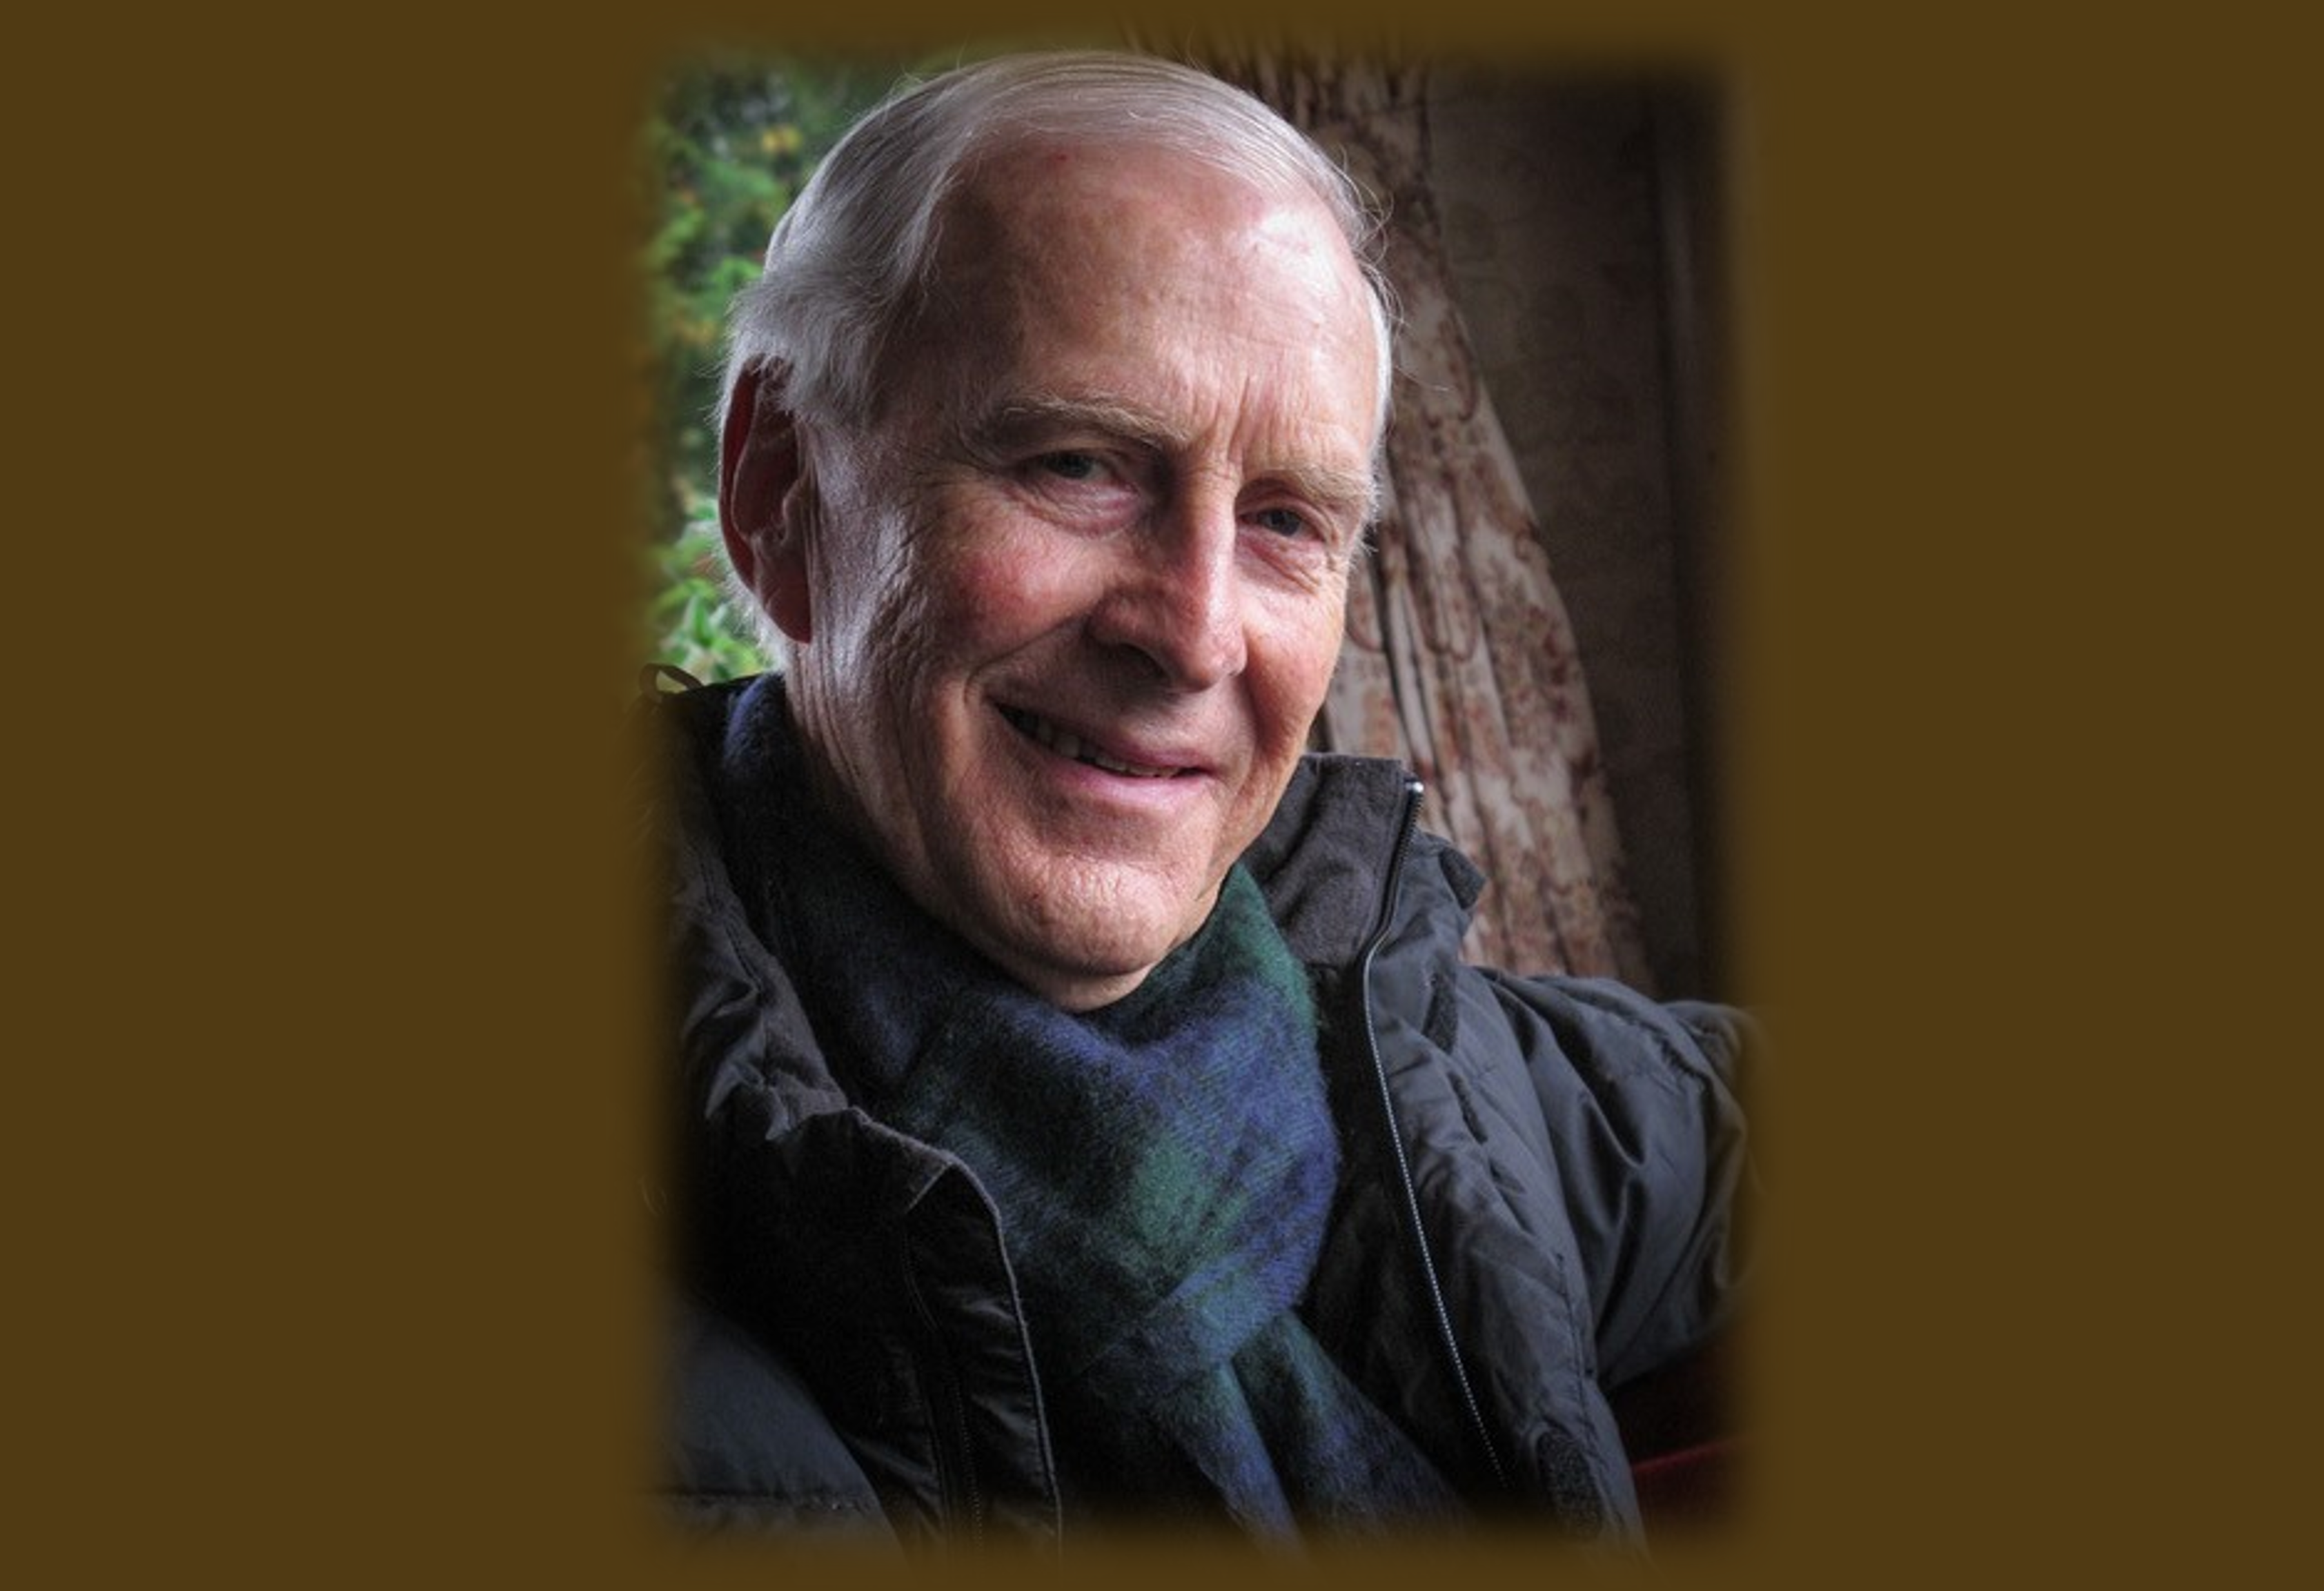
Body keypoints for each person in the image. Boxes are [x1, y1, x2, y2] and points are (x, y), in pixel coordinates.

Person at [645, 49, 1752, 1548]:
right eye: (1079, 463)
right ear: (777, 488)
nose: (1196, 633)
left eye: (1287, 519)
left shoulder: (1422, 1062)